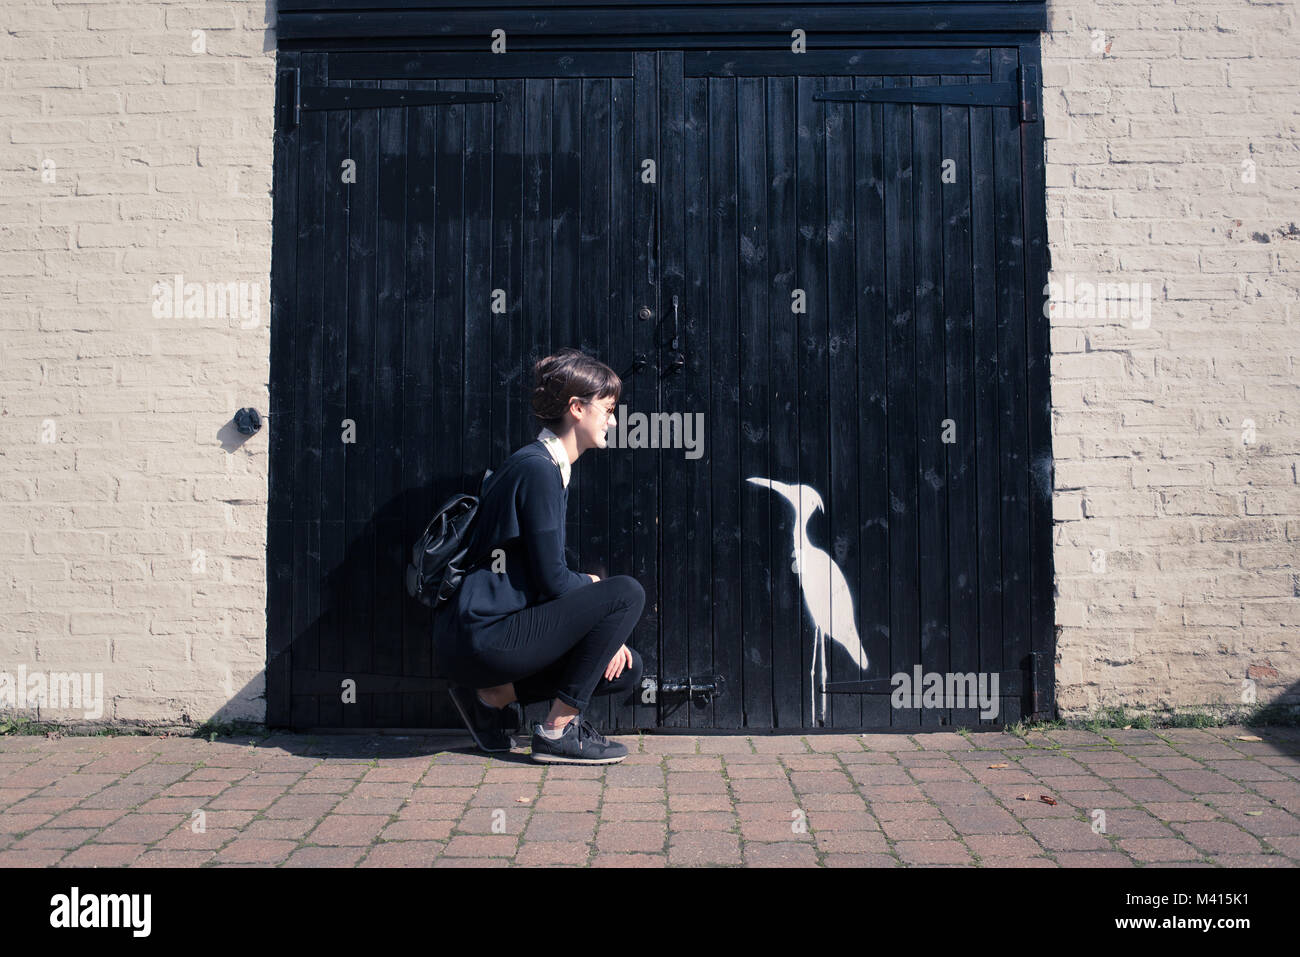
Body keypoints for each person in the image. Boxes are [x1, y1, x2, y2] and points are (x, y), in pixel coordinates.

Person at [433, 348, 646, 764]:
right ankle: (557, 730)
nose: (614, 421)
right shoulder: (537, 470)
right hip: (483, 634)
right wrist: (599, 592)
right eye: (608, 409)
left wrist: (605, 633)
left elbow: (544, 577)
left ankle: (491, 698)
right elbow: (553, 580)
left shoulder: (541, 466)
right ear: (577, 408)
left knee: (630, 667)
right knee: (628, 593)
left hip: (487, 636)